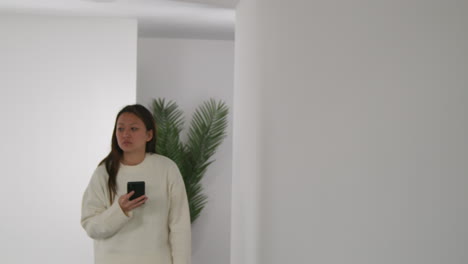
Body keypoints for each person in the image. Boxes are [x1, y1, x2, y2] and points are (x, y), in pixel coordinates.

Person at [81, 104, 191, 264]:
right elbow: (91, 226)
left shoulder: (167, 168)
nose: (125, 134)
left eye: (133, 129)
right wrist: (120, 211)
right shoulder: (104, 173)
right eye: (120, 129)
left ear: (149, 135)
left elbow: (179, 226)